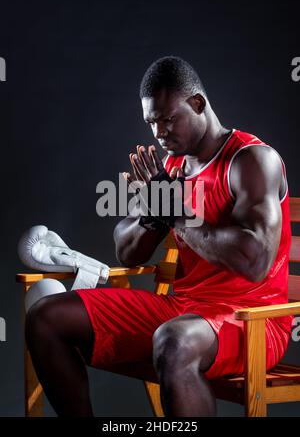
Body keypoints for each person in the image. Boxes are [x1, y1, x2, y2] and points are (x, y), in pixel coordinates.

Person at [25, 56, 292, 417]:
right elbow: (127, 252)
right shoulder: (171, 168)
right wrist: (153, 213)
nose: (159, 133)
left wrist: (176, 213)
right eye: (152, 122)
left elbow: (254, 261)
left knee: (174, 341)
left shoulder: (251, 160)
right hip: (183, 311)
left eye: (168, 119)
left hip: (253, 321)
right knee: (46, 317)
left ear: (197, 104)